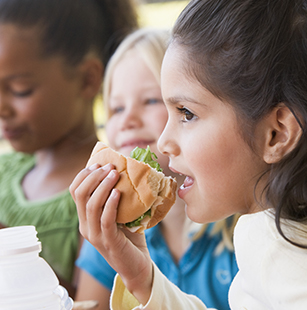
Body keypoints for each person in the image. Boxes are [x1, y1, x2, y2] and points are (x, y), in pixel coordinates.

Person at [70, 0, 307, 309]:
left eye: (186, 113)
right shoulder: (294, 232)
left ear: (276, 134)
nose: (165, 141)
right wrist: (141, 277)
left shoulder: (273, 245)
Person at [74, 28, 238, 310]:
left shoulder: (243, 227)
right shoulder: (110, 226)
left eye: (150, 100)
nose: (127, 120)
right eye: (116, 108)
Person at [0, 0, 137, 297]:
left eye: (20, 89)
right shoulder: (3, 173)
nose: (1, 107)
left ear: (88, 80)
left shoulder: (106, 189)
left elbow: (89, 301)